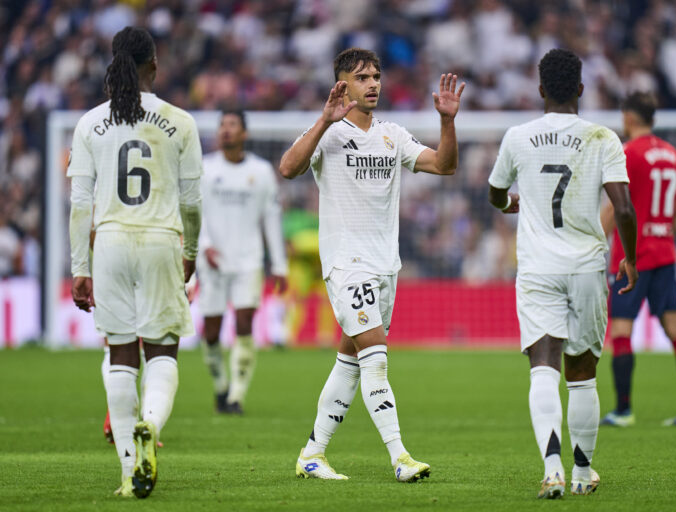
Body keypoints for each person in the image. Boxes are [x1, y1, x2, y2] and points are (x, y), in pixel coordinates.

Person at [279, 48, 464, 482]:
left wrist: (448, 121)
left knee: (350, 360)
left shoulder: (392, 135)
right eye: (362, 77)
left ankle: (313, 453)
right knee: (376, 358)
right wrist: (324, 119)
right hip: (347, 264)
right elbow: (288, 168)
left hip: (385, 266)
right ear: (342, 84)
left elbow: (445, 165)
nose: (374, 84)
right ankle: (400, 457)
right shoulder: (328, 133)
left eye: (376, 76)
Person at [488, 48, 638, 499]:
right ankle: (582, 472)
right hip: (588, 266)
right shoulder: (602, 137)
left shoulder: (518, 136)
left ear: (539, 90)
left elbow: (495, 194)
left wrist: (511, 204)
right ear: (580, 89)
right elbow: (625, 209)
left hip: (538, 268)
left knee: (542, 370)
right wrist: (629, 256)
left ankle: (551, 467)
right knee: (583, 373)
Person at [68, 27, 202, 498]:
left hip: (109, 244)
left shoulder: (90, 124)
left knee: (120, 354)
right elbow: (192, 204)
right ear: (154, 66)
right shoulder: (180, 121)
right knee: (162, 351)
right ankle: (150, 424)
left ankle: (128, 474)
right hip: (161, 239)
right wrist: (190, 253)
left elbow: (80, 204)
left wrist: (79, 268)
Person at [600, 92, 676, 428]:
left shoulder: (628, 153)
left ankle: (624, 410)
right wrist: (665, 238)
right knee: (675, 329)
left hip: (632, 257)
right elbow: (674, 209)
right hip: (664, 253)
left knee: (620, 330)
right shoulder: (672, 154)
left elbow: (617, 206)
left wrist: (589, 243)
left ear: (629, 117)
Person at [197, 108, 288, 414]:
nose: (226, 130)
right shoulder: (205, 168)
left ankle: (236, 395)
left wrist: (279, 265)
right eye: (222, 125)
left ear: (244, 133)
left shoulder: (261, 172)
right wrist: (205, 246)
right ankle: (220, 384)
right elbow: (194, 214)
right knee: (211, 332)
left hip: (248, 260)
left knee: (245, 323)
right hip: (211, 261)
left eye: (232, 125)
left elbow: (271, 219)